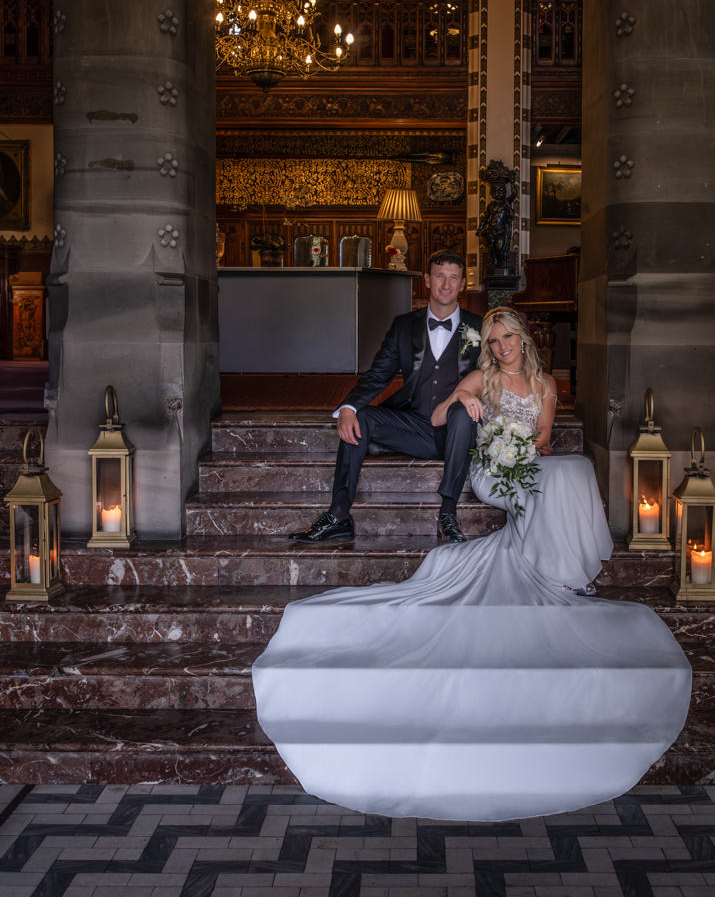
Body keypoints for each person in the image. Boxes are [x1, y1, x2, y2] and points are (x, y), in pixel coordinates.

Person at [253, 307, 691, 821]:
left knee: (571, 466)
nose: (502, 345)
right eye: (494, 338)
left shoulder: (546, 383)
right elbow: (440, 417)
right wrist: (464, 397)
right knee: (549, 477)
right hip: (489, 468)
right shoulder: (482, 375)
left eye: (508, 337)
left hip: (525, 461)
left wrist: (525, 448)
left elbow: (545, 438)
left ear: (523, 339)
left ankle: (564, 571)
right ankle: (543, 566)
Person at [290, 249, 483, 544]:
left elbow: (498, 377)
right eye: (440, 276)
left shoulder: (480, 326)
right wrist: (348, 407)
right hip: (414, 427)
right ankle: (339, 516)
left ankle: (447, 514)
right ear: (427, 280)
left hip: (459, 432)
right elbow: (378, 373)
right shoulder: (404, 326)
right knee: (361, 418)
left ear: (462, 284)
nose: (446, 284)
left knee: (461, 412)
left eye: (453, 278)